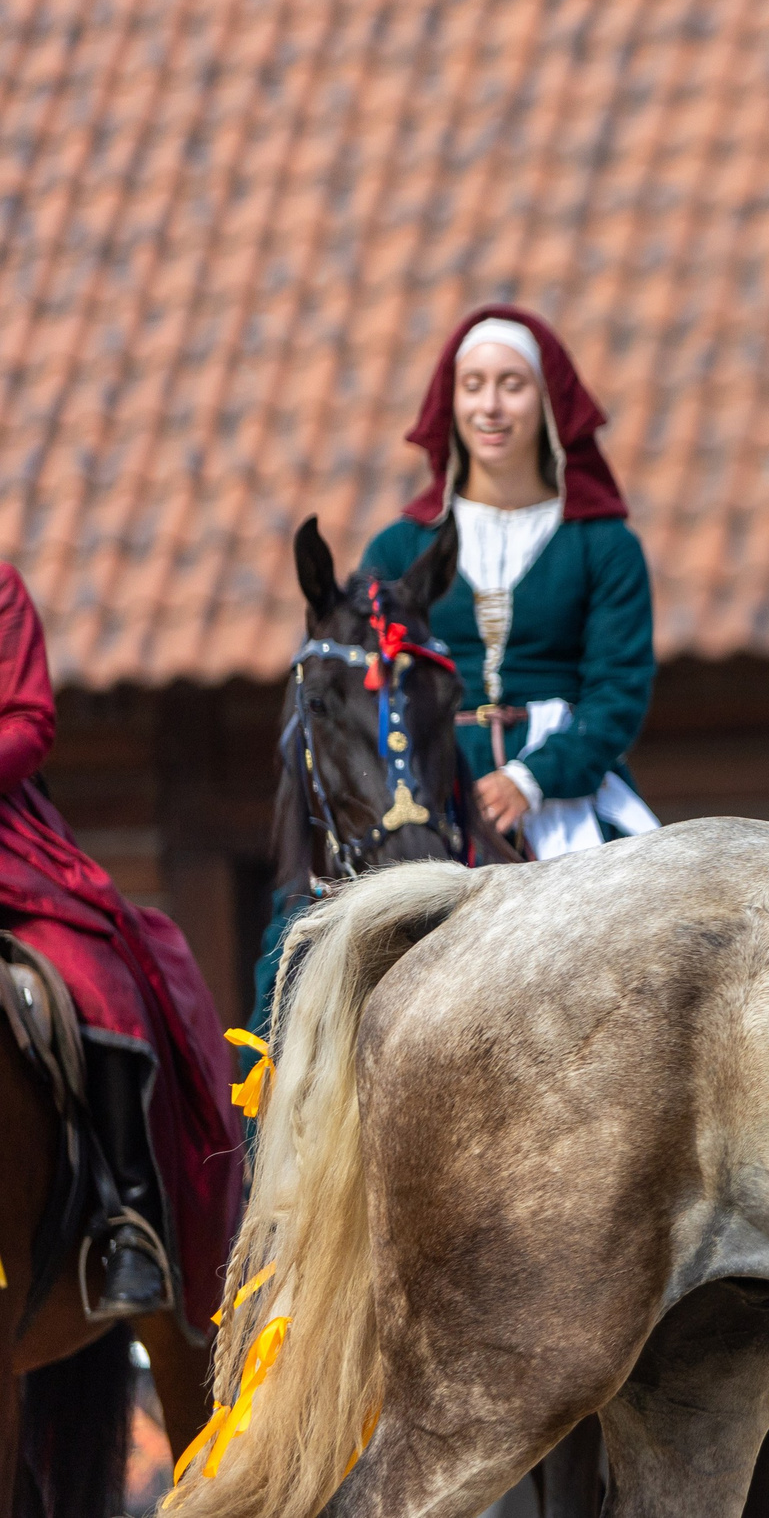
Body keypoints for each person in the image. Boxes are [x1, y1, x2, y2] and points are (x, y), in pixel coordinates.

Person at [247, 306, 659, 1044]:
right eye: (474, 385)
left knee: (652, 935)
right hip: (420, 769)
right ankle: (274, 1089)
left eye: (511, 385)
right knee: (295, 940)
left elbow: (618, 693)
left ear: (549, 404)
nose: (490, 405)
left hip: (564, 783)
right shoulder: (399, 546)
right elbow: (363, 680)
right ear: (451, 403)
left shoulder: (605, 546)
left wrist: (531, 779)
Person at [0, 561, 239, 1329]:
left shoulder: (0, 588)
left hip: (8, 846)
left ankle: (129, 1220)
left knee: (96, 978)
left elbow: (27, 719)